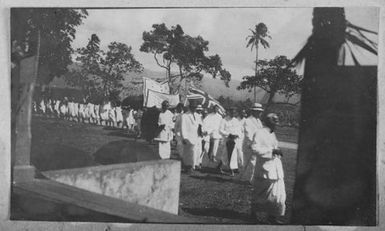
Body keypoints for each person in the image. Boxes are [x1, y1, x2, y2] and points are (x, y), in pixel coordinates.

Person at [250, 113, 286, 224]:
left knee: (278, 195)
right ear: (268, 121)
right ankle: (253, 215)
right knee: (260, 194)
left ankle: (272, 217)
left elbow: (273, 147)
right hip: (265, 169)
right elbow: (254, 148)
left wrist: (276, 150)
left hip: (275, 169)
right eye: (274, 122)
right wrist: (272, 151)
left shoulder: (272, 133)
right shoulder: (260, 132)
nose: (276, 124)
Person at [239, 103, 264, 183]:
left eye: (260, 112)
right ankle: (248, 179)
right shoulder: (248, 121)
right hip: (249, 145)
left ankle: (248, 179)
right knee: (250, 162)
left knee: (254, 162)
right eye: (258, 111)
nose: (260, 113)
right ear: (254, 111)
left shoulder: (259, 121)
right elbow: (248, 134)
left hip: (257, 144)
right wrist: (252, 143)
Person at [180, 101, 201, 173]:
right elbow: (183, 127)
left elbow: (200, 126)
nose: (194, 109)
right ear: (189, 107)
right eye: (192, 107)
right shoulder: (185, 116)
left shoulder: (198, 116)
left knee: (195, 152)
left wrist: (201, 132)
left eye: (195, 107)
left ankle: (193, 165)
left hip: (196, 136)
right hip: (188, 136)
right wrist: (184, 137)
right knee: (188, 152)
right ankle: (188, 166)